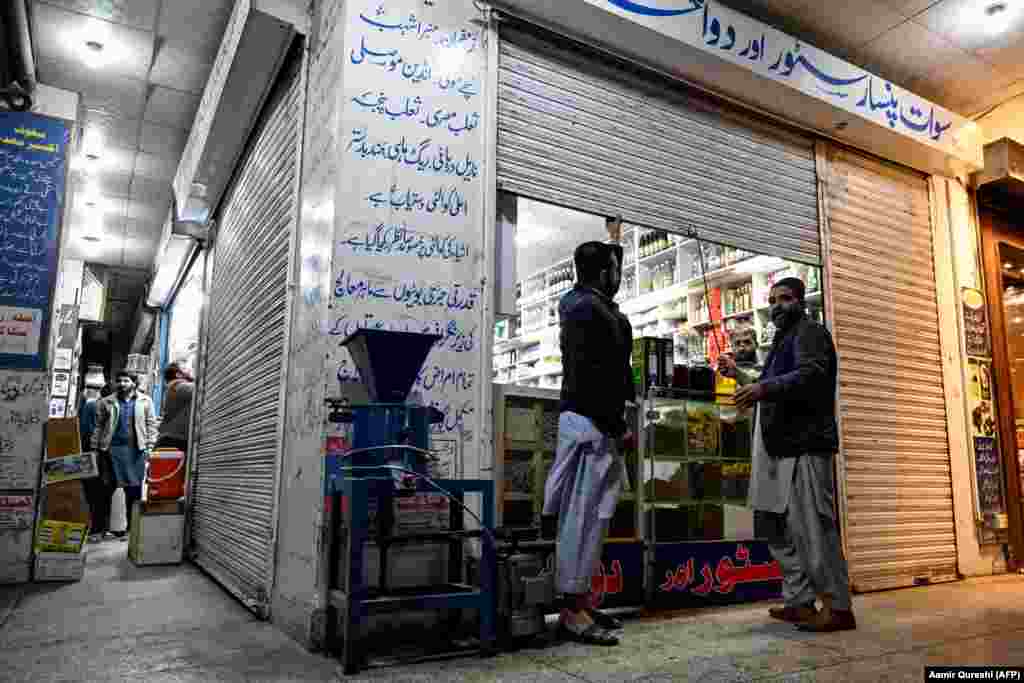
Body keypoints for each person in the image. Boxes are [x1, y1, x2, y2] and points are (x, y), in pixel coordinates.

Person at [723, 277, 855, 633]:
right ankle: (799, 600)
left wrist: (762, 387)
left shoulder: (810, 332)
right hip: (779, 447)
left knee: (814, 528)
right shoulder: (783, 340)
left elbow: (811, 375)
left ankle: (837, 607)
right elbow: (775, 383)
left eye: (785, 298)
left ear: (801, 302)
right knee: (777, 526)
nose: (777, 305)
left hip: (805, 445)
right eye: (772, 300)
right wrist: (739, 375)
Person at [542, 241, 633, 646]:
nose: (620, 274)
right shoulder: (586, 310)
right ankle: (571, 612)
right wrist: (615, 425)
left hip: (594, 423)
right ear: (604, 272)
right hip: (591, 424)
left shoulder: (586, 304)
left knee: (591, 518)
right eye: (616, 267)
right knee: (581, 519)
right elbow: (594, 374)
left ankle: (579, 600)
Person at [92, 371, 158, 538]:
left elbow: (151, 425)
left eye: (126, 381)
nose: (122, 384)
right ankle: (101, 529)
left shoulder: (145, 401)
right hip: (110, 451)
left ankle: (131, 529)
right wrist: (95, 448)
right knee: (105, 490)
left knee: (134, 492)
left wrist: (150, 447)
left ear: (134, 383)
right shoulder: (106, 402)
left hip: (136, 452)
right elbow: (98, 426)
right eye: (119, 380)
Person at [80, 384, 116, 543]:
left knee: (97, 493)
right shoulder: (95, 406)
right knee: (100, 493)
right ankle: (99, 529)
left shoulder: (91, 406)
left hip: (95, 455)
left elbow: (84, 431)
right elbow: (88, 432)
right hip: (98, 456)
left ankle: (98, 529)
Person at [157, 362, 194, 452]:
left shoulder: (172, 388)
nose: (190, 369)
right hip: (174, 441)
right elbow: (201, 386)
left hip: (172, 440)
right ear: (178, 374)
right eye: (185, 368)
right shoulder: (177, 386)